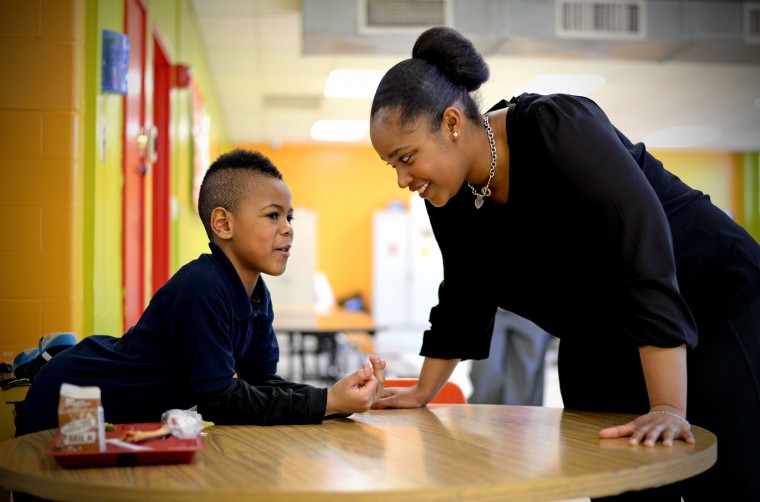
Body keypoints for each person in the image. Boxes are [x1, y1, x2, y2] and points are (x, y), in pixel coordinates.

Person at [368, 26, 760, 501]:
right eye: (394, 166)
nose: (404, 179)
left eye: (407, 158)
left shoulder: (556, 127)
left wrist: (668, 406)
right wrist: (423, 390)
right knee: (611, 473)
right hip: (601, 327)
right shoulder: (447, 197)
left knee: (720, 472)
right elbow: (464, 289)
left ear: (452, 123)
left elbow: (643, 251)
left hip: (709, 292)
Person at [16, 148, 386, 438]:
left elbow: (260, 385)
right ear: (223, 223)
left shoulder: (257, 294)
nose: (288, 228)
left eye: (289, 217)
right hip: (67, 399)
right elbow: (220, 402)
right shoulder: (202, 289)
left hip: (126, 421)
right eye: (273, 216)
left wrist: (336, 400)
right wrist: (325, 401)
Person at [468, 308, 552, 406]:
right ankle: (481, 416)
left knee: (524, 377)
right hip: (492, 305)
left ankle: (516, 419)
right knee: (486, 372)